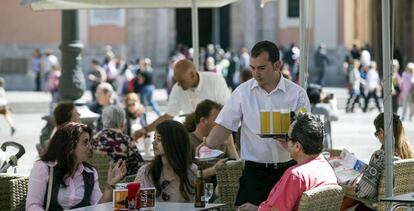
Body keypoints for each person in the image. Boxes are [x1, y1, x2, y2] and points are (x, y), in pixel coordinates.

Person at [201, 40, 311, 207]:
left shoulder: (297, 94)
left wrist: (287, 139)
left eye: (261, 68)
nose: (256, 74)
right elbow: (224, 126)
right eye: (252, 68)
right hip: (254, 172)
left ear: (277, 65)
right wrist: (206, 146)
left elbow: (306, 137)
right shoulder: (242, 92)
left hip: (288, 171)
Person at [238, 113, 338, 211]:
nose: (285, 141)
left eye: (288, 138)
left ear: (297, 146)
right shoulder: (326, 167)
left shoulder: (296, 175)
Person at [26, 122, 127, 210]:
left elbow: (98, 207)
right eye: (85, 142)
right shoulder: (44, 168)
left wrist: (110, 185)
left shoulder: (90, 173)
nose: (90, 147)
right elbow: (32, 206)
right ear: (70, 145)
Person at [133, 59, 230, 140]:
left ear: (192, 75)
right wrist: (145, 130)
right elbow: (168, 116)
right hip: (193, 137)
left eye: (181, 81)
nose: (178, 84)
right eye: (176, 81)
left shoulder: (215, 81)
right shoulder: (177, 89)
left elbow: (226, 112)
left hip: (219, 135)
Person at [341, 113, 414, 211]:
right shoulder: (408, 155)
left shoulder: (380, 156)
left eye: (376, 133)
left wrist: (341, 188)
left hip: (376, 207)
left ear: (381, 131)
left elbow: (363, 192)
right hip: (400, 207)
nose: (377, 137)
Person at [183, 100, 239, 197]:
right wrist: (214, 170)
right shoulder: (187, 142)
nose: (222, 123)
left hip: (224, 193)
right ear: (203, 121)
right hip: (197, 194)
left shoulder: (223, 140)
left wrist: (230, 145)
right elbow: (185, 177)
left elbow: (239, 170)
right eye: (218, 120)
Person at [135, 120, 196, 202]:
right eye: (154, 138)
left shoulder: (191, 171)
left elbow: (197, 204)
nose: (154, 142)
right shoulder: (146, 172)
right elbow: (137, 204)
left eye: (159, 139)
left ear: (174, 141)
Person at [92, 105, 144, 176]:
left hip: (97, 182)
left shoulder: (94, 139)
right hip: (121, 184)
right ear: (122, 122)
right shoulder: (126, 140)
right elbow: (140, 167)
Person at [306, 83, 339, 148]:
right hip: (324, 143)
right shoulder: (322, 108)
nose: (324, 95)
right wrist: (333, 104)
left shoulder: (307, 106)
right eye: (322, 93)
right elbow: (335, 117)